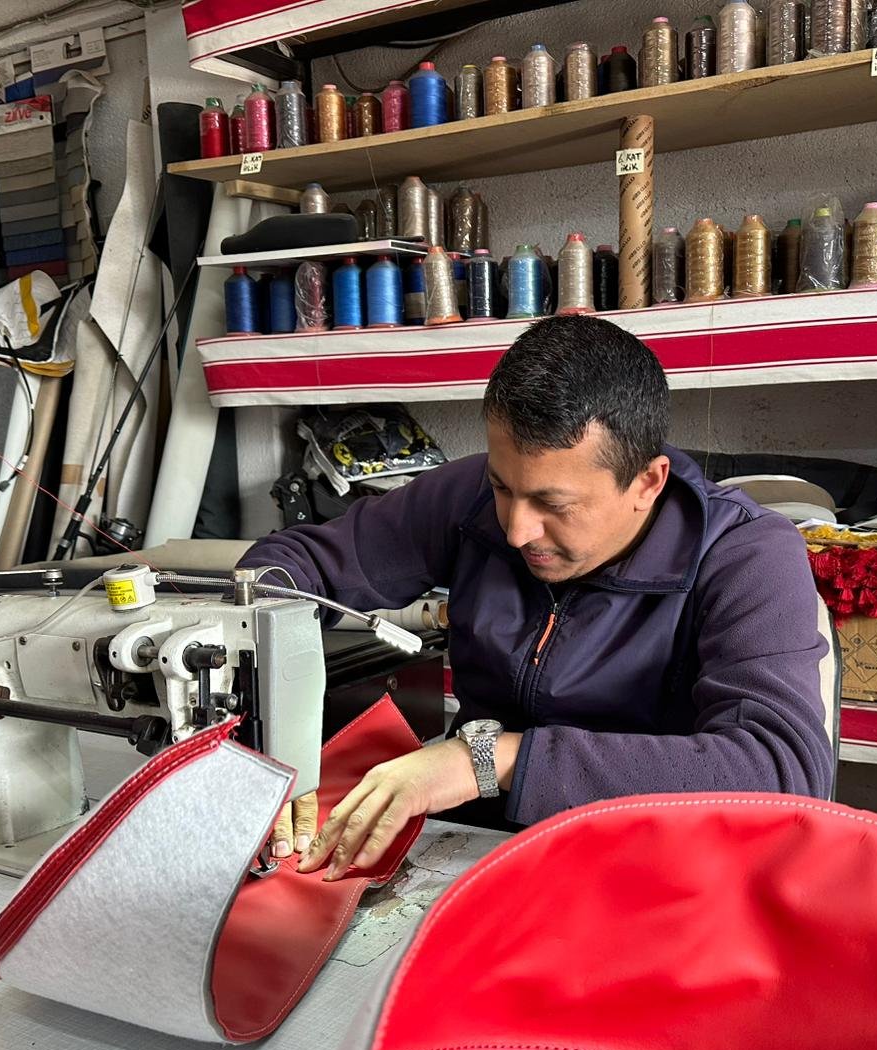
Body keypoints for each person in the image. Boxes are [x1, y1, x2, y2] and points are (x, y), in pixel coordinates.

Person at [240, 315, 834, 881]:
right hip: (484, 842)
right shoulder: (471, 499)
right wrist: (276, 726)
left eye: (554, 505)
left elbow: (779, 772)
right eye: (503, 487)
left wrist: (490, 760)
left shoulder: (746, 554)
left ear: (647, 483)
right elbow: (290, 564)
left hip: (656, 858)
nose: (517, 530)